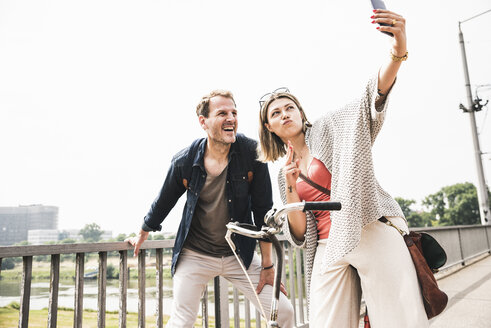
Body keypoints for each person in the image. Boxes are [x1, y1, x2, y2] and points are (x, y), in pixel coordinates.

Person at [257, 9, 429, 328]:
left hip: (368, 228)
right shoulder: (283, 172)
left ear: (301, 112)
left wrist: (397, 50)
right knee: (325, 321)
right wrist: (291, 186)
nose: (284, 114)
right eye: (276, 112)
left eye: (289, 107)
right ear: (269, 127)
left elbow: (370, 99)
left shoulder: (332, 127)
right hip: (327, 246)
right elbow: (298, 233)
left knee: (399, 319)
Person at [126, 90, 294, 328]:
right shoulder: (184, 161)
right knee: (181, 322)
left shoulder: (251, 154)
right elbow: (163, 201)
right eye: (222, 113)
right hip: (195, 254)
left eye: (234, 113)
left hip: (239, 254)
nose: (231, 118)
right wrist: (142, 233)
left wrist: (268, 266)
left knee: (283, 312)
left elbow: (263, 212)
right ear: (203, 122)